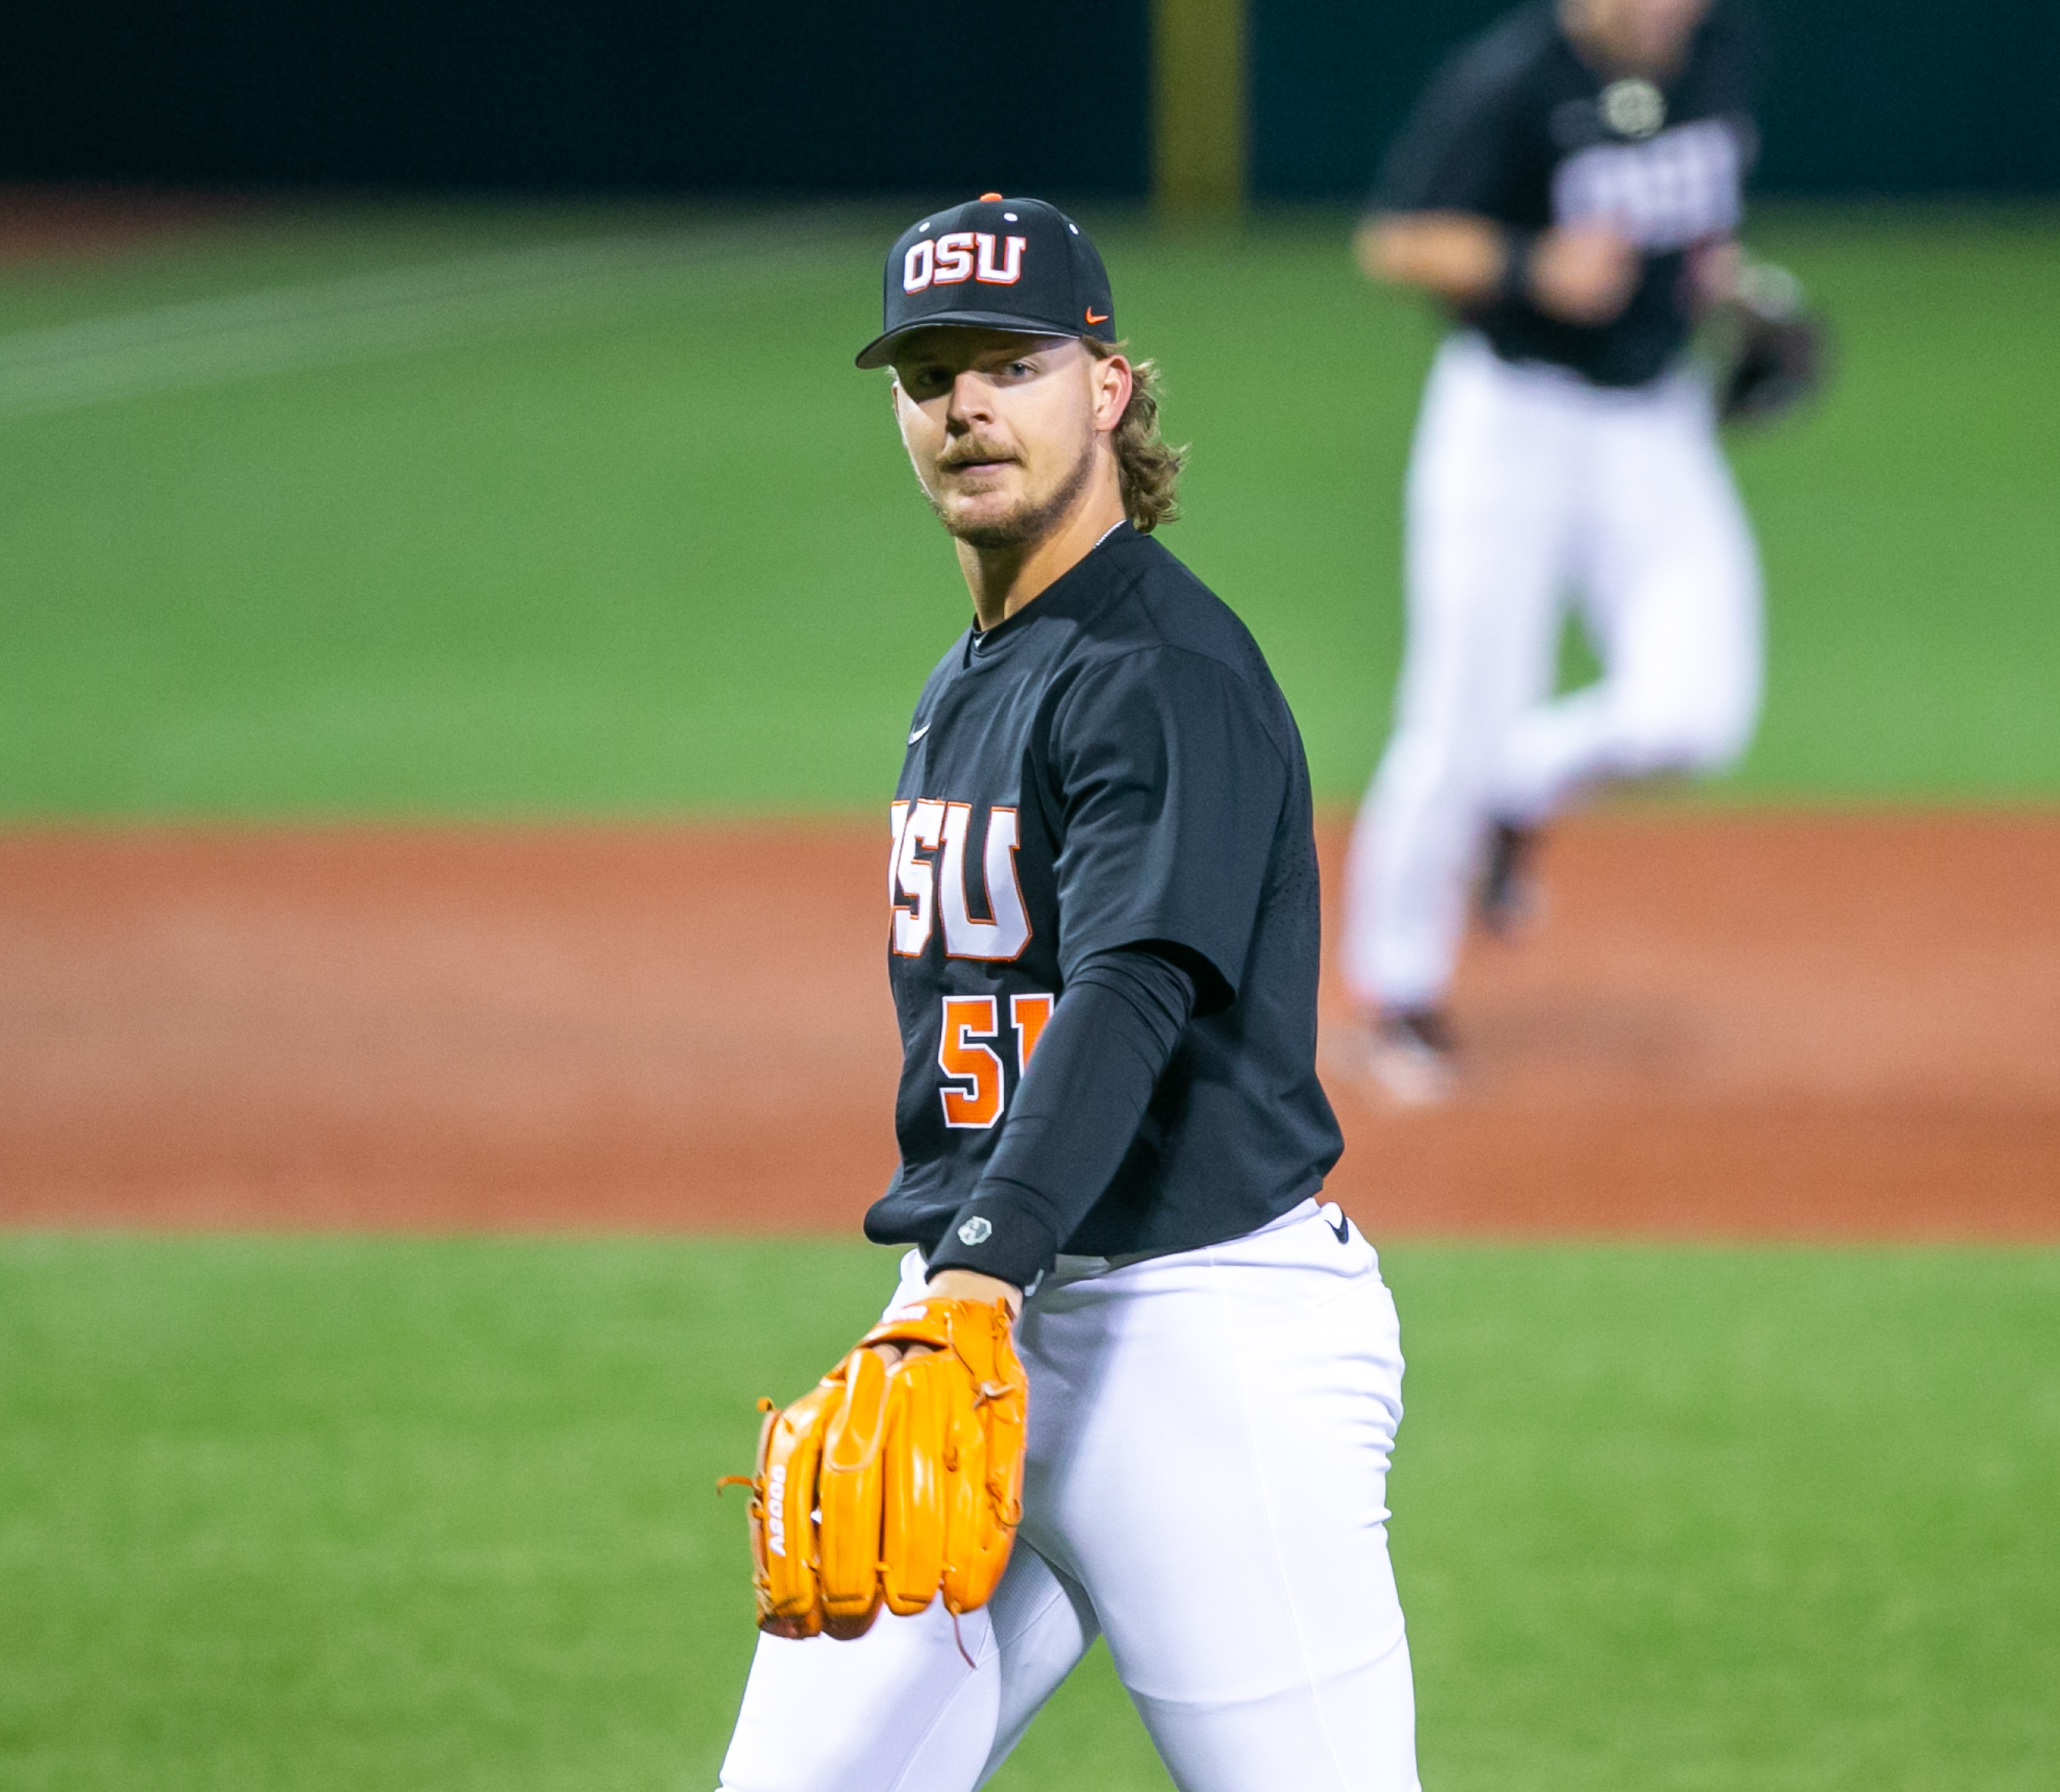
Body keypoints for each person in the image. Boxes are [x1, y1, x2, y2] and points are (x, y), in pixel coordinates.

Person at [714, 195, 1422, 1792]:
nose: (964, 405)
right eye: (927, 373)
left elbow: (1130, 991)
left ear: (1106, 387)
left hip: (1199, 1338)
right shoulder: (973, 672)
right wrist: (959, 1295)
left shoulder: (1158, 673)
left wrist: (972, 1274)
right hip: (983, 1319)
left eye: (1010, 366)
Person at [1342, 0, 1768, 1101]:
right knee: (1454, 718)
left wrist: (1733, 290)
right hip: (1509, 426)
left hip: (1655, 425)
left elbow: (1687, 219)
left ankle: (1522, 785)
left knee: (1696, 712)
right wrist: (1531, 264)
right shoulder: (1516, 79)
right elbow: (1394, 238)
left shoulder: (1713, 51)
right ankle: (1399, 993)